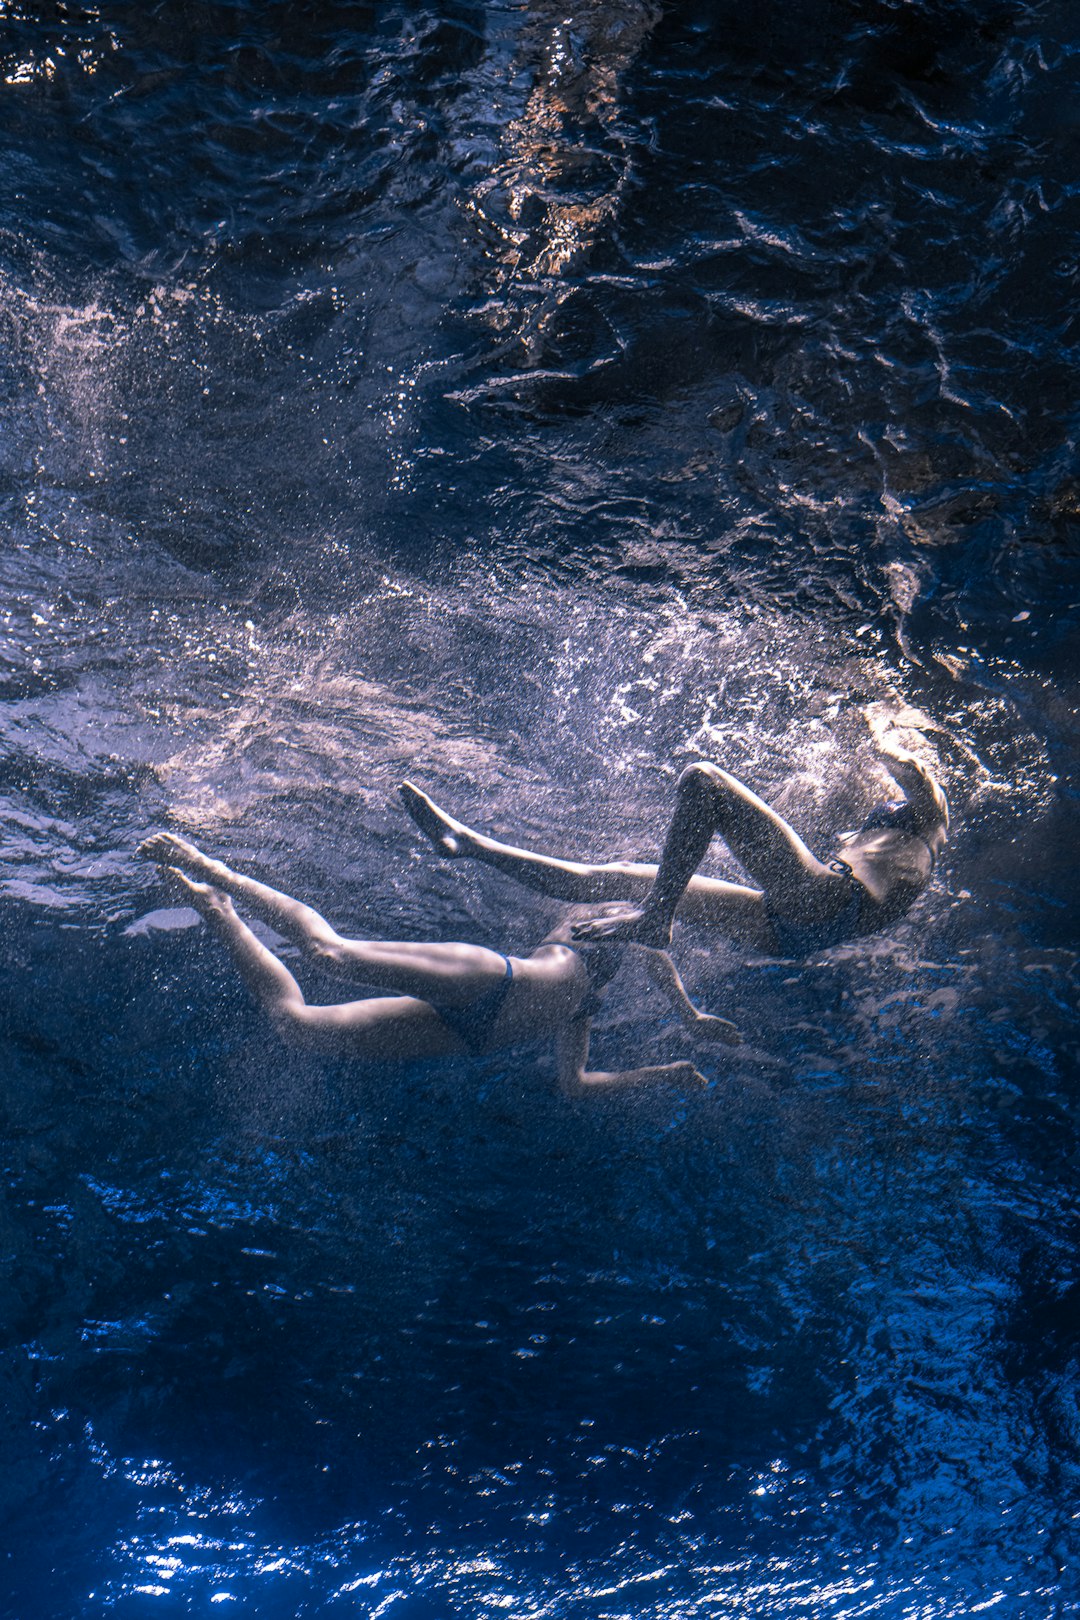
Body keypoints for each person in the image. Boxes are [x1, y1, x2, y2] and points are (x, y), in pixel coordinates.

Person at [138, 833, 740, 1095]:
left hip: (464, 1034)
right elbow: (653, 943)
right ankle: (213, 868)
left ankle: (212, 906)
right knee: (330, 953)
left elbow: (576, 1088)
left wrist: (663, 1073)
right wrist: (687, 1013)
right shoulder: (615, 909)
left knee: (297, 1027)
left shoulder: (585, 1009)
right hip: (495, 978)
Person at [399, 747, 948, 958]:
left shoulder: (933, 818)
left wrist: (885, 729)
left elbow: (918, 773)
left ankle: (655, 919)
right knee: (613, 875)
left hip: (826, 900)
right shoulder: (905, 854)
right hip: (794, 932)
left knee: (704, 780)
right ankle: (467, 844)